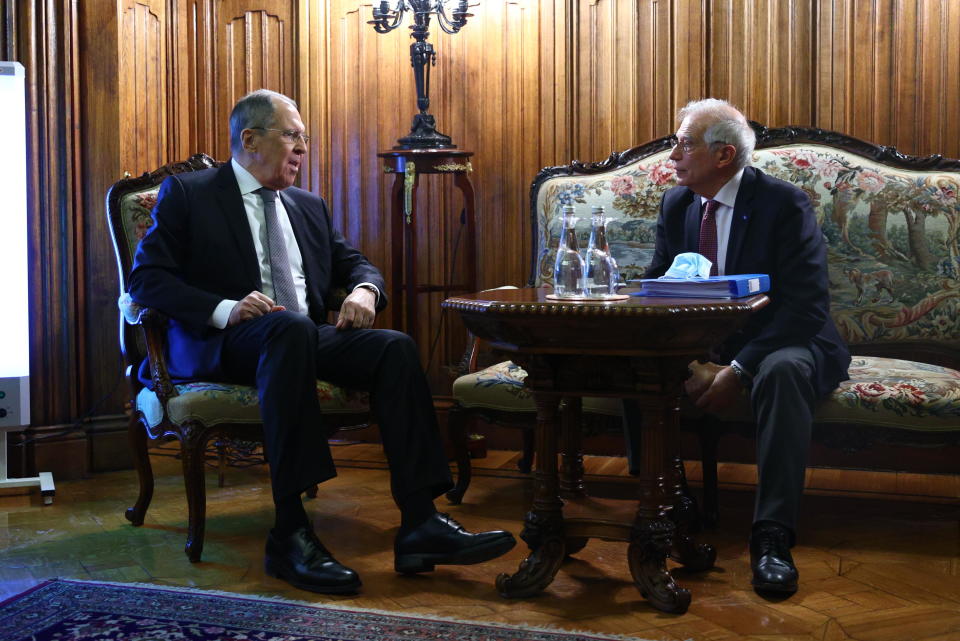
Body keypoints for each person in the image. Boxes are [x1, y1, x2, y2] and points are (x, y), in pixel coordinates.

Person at [128, 89, 515, 594]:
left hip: (295, 338)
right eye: (293, 136)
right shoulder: (191, 194)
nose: (303, 150)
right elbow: (147, 280)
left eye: (305, 139)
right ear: (250, 139)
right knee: (290, 328)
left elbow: (355, 262)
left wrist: (364, 289)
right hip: (222, 343)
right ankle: (290, 534)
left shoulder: (307, 205)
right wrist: (226, 309)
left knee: (393, 346)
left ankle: (421, 523)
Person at [632, 98, 850, 595]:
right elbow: (659, 288)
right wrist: (686, 360)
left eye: (683, 144)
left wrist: (738, 369)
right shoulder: (677, 204)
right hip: (704, 344)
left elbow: (805, 306)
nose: (672, 156)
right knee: (634, 362)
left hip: (786, 339)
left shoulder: (783, 204)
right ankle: (670, 502)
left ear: (723, 155)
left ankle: (771, 536)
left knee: (782, 372)